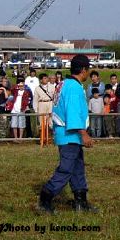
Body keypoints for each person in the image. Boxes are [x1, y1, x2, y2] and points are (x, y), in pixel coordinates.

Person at [38, 54, 98, 214]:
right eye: (88, 69)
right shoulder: (72, 87)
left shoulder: (64, 84)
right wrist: (83, 133)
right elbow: (72, 112)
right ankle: (45, 199)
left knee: (78, 169)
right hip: (70, 134)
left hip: (68, 135)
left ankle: (81, 202)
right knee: (65, 169)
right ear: (84, 70)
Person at [33, 73, 55, 137]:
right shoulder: (37, 88)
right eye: (44, 78)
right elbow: (35, 99)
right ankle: (43, 138)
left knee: (51, 121)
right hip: (41, 104)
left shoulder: (52, 86)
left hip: (50, 103)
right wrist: (36, 109)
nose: (46, 79)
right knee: (42, 122)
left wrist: (54, 107)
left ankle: (51, 137)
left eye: (46, 78)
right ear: (41, 80)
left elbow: (54, 98)